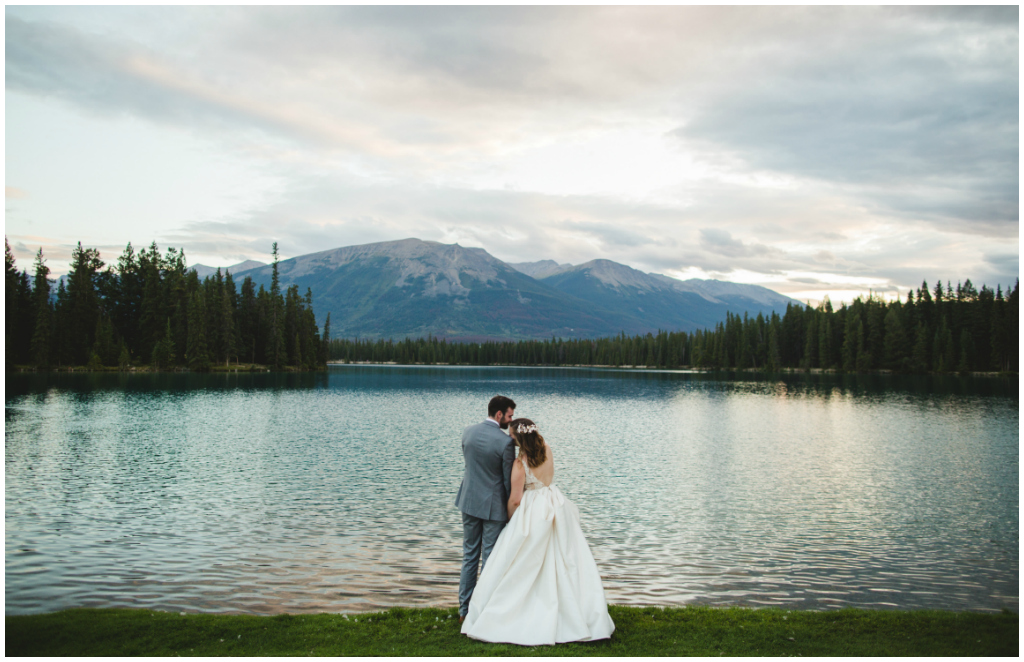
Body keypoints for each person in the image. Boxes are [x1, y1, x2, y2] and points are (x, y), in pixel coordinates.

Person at [461, 418, 615, 645]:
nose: (510, 441)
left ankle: (518, 612)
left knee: (522, 560)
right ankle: (572, 611)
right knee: (564, 559)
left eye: (512, 437)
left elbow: (515, 499)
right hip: (553, 502)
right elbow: (547, 479)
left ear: (520, 438)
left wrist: (511, 523)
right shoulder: (548, 450)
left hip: (532, 508)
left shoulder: (519, 463)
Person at [455, 395, 517, 624]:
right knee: (490, 559)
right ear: (499, 414)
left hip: (469, 502)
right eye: (509, 416)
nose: (511, 421)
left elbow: (469, 465)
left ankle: (464, 611)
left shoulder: (468, 432)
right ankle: (485, 611)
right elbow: (507, 482)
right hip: (493, 508)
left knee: (469, 556)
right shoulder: (505, 443)